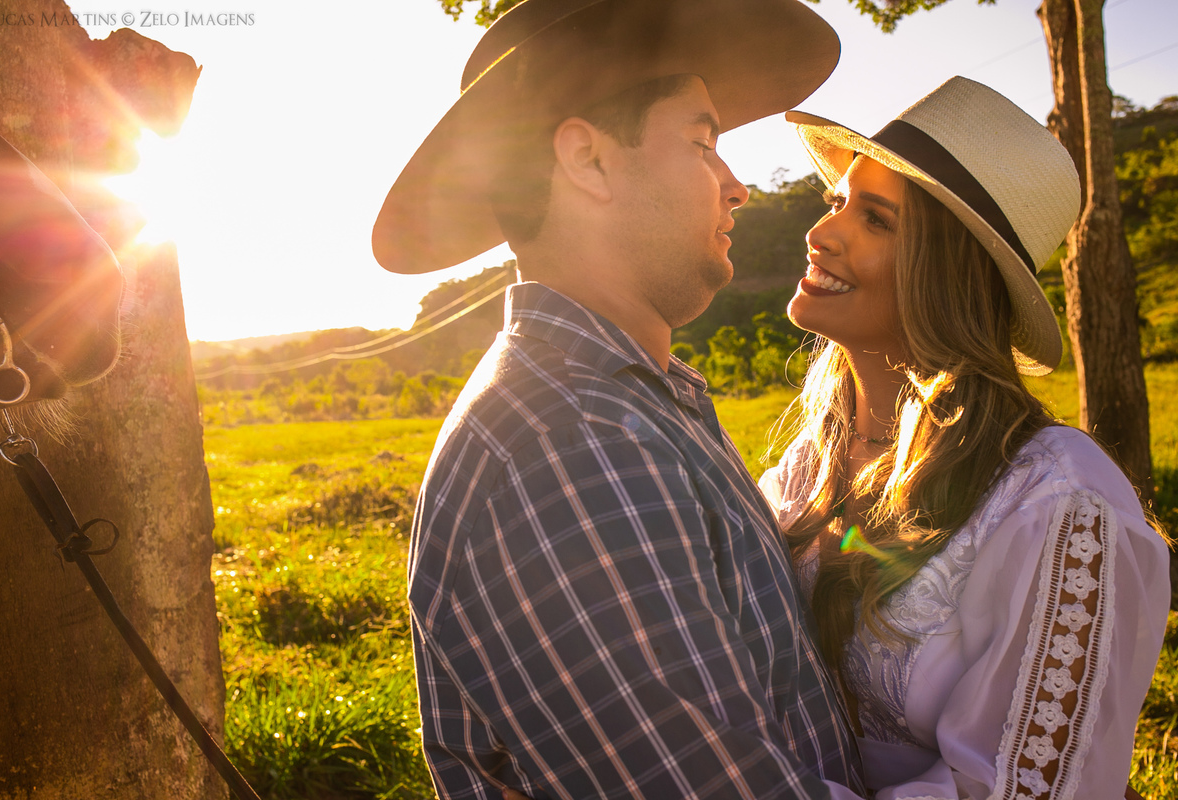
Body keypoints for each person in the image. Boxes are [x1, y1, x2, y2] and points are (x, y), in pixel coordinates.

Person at [371, 0, 874, 797]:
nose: (737, 186)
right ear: (588, 160)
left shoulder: (630, 402)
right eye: (704, 143)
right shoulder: (571, 442)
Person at [758, 76, 1171, 799]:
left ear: (948, 275)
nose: (821, 233)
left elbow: (1018, 788)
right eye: (836, 203)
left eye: (877, 220)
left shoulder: (1056, 498)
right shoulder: (806, 465)